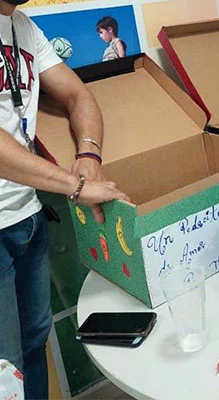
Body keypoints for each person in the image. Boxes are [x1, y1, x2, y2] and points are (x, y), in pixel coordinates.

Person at [0, 1, 128, 398]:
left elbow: (78, 96)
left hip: (27, 214)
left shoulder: (22, 26)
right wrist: (73, 185)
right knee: (5, 367)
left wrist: (88, 155)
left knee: (34, 345)